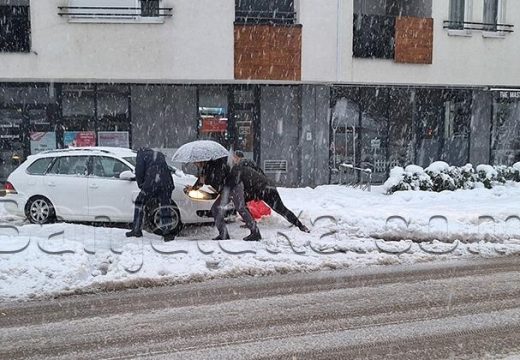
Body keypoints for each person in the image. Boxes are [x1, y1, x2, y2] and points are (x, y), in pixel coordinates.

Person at [214, 162, 311, 241]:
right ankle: (252, 226)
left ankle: (300, 226)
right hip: (263, 188)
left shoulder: (236, 172)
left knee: (281, 209)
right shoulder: (239, 169)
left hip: (265, 189)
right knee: (280, 209)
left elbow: (232, 187)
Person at [126, 148, 175, 241]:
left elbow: (139, 172)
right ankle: (167, 233)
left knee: (139, 203)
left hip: (152, 183)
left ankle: (136, 229)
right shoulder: (158, 154)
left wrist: (141, 185)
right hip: (167, 183)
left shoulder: (141, 155)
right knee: (165, 206)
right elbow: (165, 169)